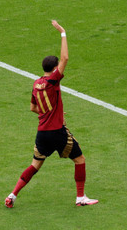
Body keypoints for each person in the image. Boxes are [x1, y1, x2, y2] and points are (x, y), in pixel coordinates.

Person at [5, 20, 98, 208]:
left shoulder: (36, 83)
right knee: (80, 160)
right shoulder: (53, 81)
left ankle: (12, 195)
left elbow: (33, 108)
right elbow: (65, 58)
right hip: (57, 131)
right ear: (55, 69)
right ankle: (80, 198)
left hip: (42, 133)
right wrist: (63, 32)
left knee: (35, 165)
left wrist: (48, 112)